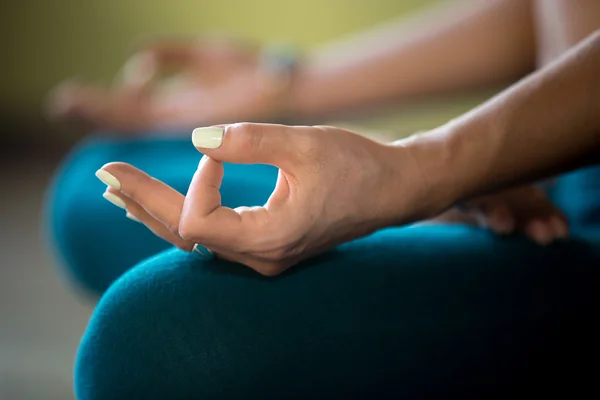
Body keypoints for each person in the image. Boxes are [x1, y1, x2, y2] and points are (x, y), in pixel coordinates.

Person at [45, 1, 600, 398]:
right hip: (550, 167)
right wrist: (278, 83)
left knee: (152, 346)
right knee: (89, 191)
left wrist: (429, 169)